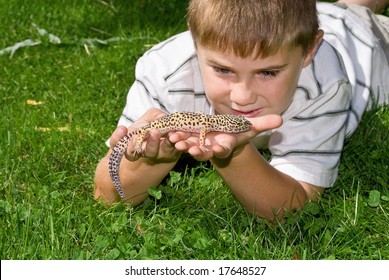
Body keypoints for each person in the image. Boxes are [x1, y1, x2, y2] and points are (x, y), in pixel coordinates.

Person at [94, 0, 389, 220]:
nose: (243, 97)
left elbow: (294, 208)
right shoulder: (164, 75)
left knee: (357, 12)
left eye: (268, 72)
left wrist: (234, 154)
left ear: (309, 52)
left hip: (362, 48)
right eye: (223, 69)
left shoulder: (324, 86)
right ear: (195, 44)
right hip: (296, 31)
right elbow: (106, 194)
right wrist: (146, 163)